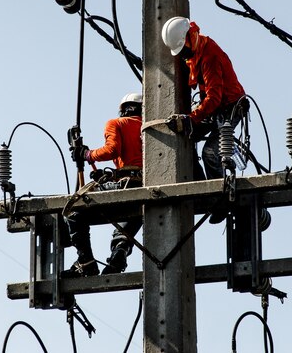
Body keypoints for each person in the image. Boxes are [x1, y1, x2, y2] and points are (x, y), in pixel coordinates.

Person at [62, 93, 144, 278]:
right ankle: (119, 254)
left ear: (123, 109)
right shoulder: (148, 128)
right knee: (131, 219)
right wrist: (107, 175)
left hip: (127, 184)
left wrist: (87, 155)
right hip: (144, 185)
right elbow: (134, 162)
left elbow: (112, 149)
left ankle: (86, 262)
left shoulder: (116, 123)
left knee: (75, 211)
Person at [161, 16, 249, 180]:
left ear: (190, 36)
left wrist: (191, 118)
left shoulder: (210, 56)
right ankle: (199, 183)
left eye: (183, 51)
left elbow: (214, 98)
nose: (183, 56)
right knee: (186, 138)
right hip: (214, 109)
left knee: (210, 153)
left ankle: (216, 194)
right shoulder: (195, 51)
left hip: (231, 108)